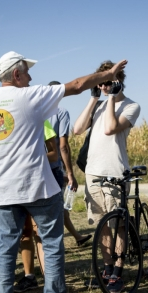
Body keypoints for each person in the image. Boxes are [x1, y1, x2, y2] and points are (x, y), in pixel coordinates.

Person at [0, 51, 128, 293]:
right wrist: (108, 75)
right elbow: (77, 85)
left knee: (5, 252)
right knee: (52, 245)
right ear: (16, 75)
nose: (31, 78)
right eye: (27, 73)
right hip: (39, 187)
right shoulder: (30, 96)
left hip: (5, 193)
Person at [72, 61, 141, 293]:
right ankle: (107, 266)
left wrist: (111, 96)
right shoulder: (99, 105)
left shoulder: (131, 106)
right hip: (93, 171)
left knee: (118, 225)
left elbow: (111, 128)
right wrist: (93, 99)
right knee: (101, 225)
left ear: (119, 80)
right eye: (100, 83)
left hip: (115, 172)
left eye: (107, 82)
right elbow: (77, 129)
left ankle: (119, 270)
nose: (103, 87)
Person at [14, 120, 59, 292]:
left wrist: (31, 159)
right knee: (24, 234)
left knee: (40, 233)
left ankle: (50, 281)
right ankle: (29, 276)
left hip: (38, 185)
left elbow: (54, 154)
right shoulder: (11, 122)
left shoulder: (41, 121)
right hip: (16, 186)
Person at [48, 81, 92, 247]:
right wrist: (71, 174)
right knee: (57, 208)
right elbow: (63, 146)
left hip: (39, 166)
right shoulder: (61, 112)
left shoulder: (38, 112)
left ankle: (78, 237)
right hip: (54, 166)